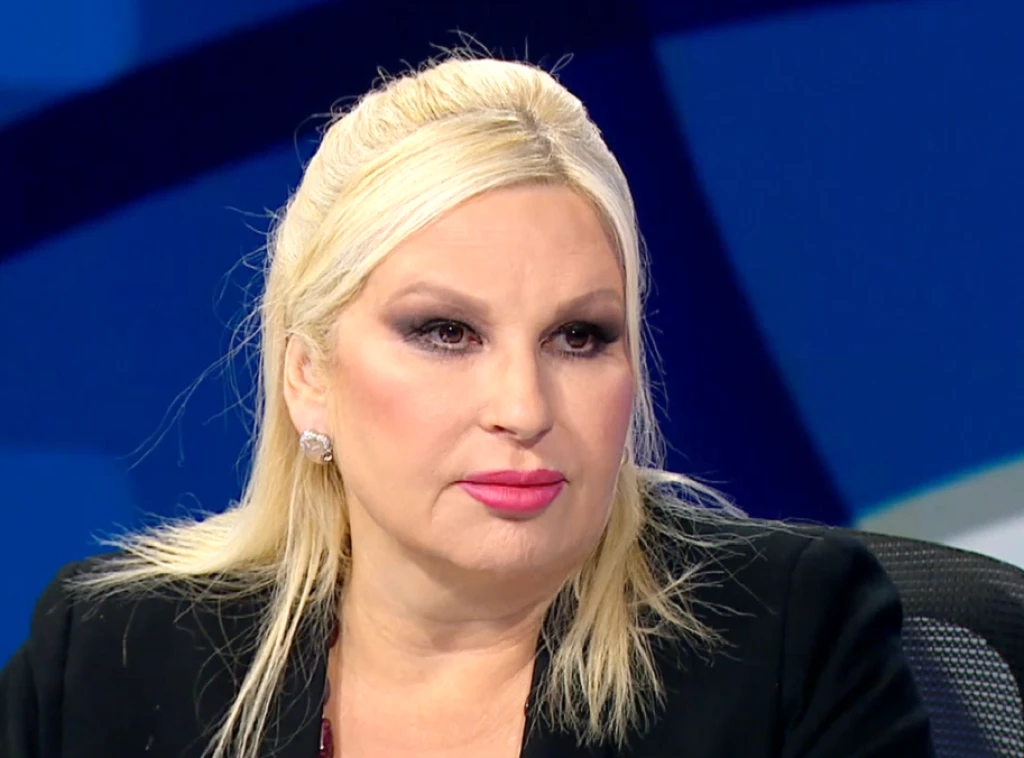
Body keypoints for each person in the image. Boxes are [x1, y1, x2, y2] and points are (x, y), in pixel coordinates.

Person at [0, 53, 935, 758]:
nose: (523, 407)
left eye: (579, 337)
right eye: (446, 332)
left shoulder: (785, 642)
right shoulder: (109, 659)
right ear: (308, 375)